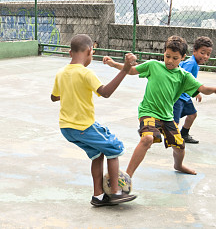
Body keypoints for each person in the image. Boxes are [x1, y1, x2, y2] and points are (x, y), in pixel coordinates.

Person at [103, 35, 216, 178]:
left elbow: (204, 89)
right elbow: (131, 70)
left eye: (175, 58)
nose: (170, 61)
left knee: (179, 146)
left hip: (167, 116)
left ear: (183, 57)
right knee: (147, 139)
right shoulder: (153, 65)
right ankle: (127, 177)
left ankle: (178, 165)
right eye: (167, 56)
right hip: (148, 112)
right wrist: (114, 64)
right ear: (164, 53)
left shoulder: (184, 76)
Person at [51, 34, 137, 207]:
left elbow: (54, 97)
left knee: (97, 155)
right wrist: (124, 69)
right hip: (83, 126)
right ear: (90, 51)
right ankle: (116, 192)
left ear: (70, 53)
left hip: (66, 128)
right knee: (114, 147)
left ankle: (98, 196)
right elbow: (105, 92)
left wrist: (70, 91)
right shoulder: (86, 73)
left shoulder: (61, 73)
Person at [173, 36, 213, 144]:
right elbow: (182, 78)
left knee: (192, 115)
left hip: (185, 96)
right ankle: (161, 133)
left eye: (208, 54)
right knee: (174, 122)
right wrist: (195, 91)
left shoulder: (195, 63)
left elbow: (191, 82)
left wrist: (195, 92)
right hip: (178, 97)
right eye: (202, 52)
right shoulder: (191, 63)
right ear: (195, 51)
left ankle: (184, 134)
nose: (205, 56)